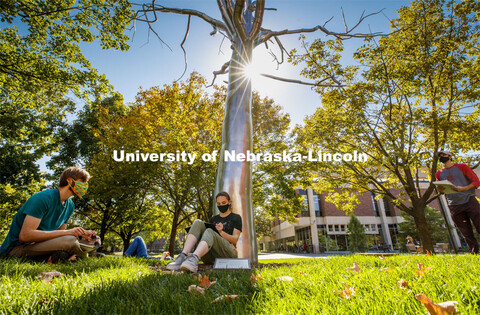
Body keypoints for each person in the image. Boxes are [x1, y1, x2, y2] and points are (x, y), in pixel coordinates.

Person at [0, 167, 96, 262]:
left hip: (42, 245)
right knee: (70, 241)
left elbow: (59, 235)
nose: (84, 186)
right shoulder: (43, 198)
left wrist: (81, 234)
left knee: (94, 240)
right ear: (70, 181)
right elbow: (25, 236)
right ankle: (83, 258)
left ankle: (60, 257)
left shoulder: (70, 205)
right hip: (18, 248)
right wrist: (70, 232)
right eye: (82, 181)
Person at [166, 191, 242, 273]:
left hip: (228, 255)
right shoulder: (213, 219)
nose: (221, 205)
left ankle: (193, 259)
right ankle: (182, 256)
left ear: (229, 202)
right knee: (198, 222)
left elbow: (235, 240)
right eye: (218, 204)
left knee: (210, 231)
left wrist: (221, 232)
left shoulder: (236, 218)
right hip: (211, 256)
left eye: (224, 203)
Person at [435, 150, 480, 254]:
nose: (441, 157)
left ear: (450, 156)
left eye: (443, 155)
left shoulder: (462, 167)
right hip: (454, 205)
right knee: (466, 232)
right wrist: (440, 190)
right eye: (440, 156)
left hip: (469, 200)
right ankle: (475, 253)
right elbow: (441, 189)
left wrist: (463, 189)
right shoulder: (439, 173)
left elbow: (476, 182)